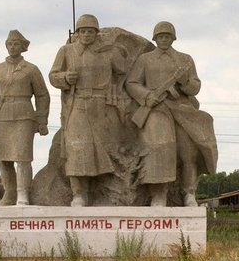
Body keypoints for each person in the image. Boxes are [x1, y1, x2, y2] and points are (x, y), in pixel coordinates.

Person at [125, 21, 217, 207]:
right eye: (160, 36)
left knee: (187, 153)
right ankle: (159, 195)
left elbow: (195, 87)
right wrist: (147, 96)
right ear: (155, 38)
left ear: (173, 38)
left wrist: (184, 82)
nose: (164, 39)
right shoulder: (145, 60)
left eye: (167, 36)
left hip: (181, 109)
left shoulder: (185, 60)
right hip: (156, 110)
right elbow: (132, 83)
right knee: (159, 152)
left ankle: (189, 193)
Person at [48, 14, 128, 207]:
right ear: (77, 33)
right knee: (76, 149)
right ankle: (78, 194)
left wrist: (114, 49)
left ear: (96, 33)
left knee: (101, 151)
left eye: (90, 31)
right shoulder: (66, 51)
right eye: (83, 31)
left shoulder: (107, 51)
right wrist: (66, 77)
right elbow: (53, 76)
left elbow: (124, 70)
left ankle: (101, 193)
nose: (86, 35)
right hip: (77, 103)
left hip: (101, 106)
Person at [0, 30, 50, 206]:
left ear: (22, 47)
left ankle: (22, 194)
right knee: (3, 158)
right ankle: (10, 192)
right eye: (9, 43)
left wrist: (42, 120)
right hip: (2, 115)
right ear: (6, 45)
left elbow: (42, 95)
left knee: (23, 157)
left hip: (24, 115)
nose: (12, 47)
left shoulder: (31, 69)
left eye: (16, 44)